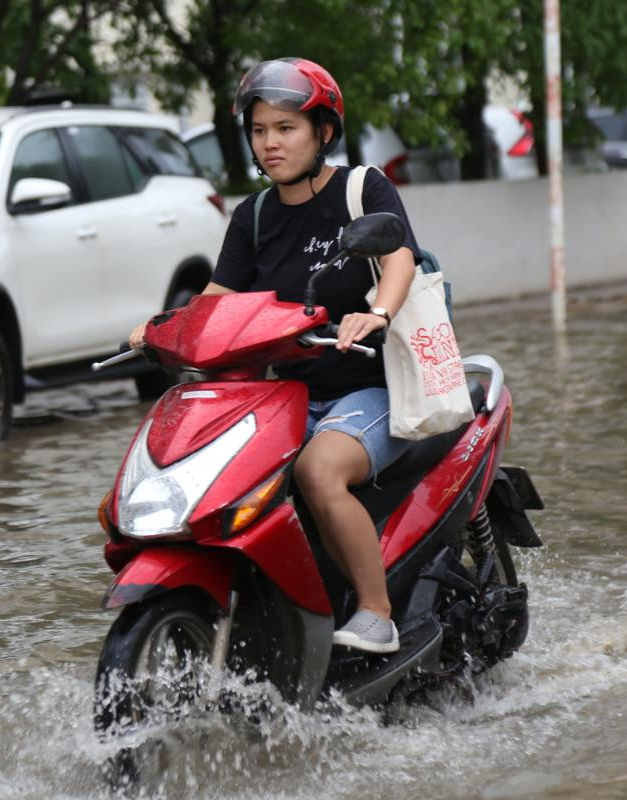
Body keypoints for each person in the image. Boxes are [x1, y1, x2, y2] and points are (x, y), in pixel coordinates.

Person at [130, 57, 419, 654]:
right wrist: (161, 327)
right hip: (283, 397)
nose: (270, 143)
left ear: (323, 132)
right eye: (260, 130)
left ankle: (376, 613)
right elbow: (218, 300)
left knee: (317, 471)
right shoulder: (253, 216)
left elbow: (399, 259)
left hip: (369, 387)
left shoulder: (361, 188)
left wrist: (379, 314)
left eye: (286, 128)